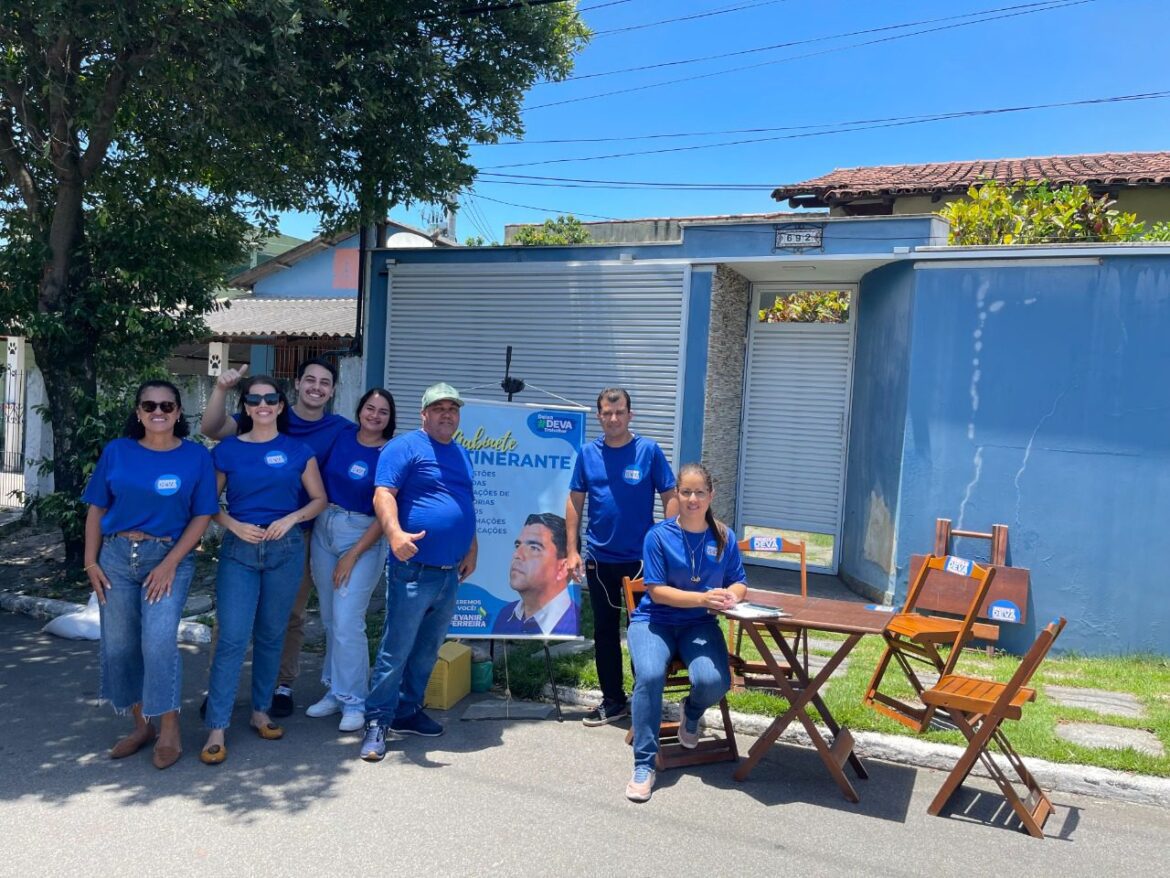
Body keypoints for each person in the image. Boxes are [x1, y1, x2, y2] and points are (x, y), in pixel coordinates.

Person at [200, 357, 351, 717]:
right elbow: (211, 428)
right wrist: (222, 387)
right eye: (310, 379)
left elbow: (368, 447)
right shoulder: (255, 415)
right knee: (232, 624)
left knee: (288, 617)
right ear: (296, 385)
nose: (317, 387)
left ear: (332, 390)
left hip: (299, 535)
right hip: (245, 536)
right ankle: (220, 690)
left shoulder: (339, 429)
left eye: (325, 382)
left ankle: (278, 687)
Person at [82, 380, 219, 770]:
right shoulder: (118, 451)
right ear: (139, 413)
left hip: (168, 555)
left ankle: (170, 729)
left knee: (158, 643)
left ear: (178, 413)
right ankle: (142, 726)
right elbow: (96, 509)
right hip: (116, 557)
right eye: (149, 405)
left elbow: (202, 515)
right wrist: (91, 562)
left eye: (167, 405)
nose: (158, 411)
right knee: (120, 645)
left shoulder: (196, 458)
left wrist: (170, 562)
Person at [359, 382, 477, 762]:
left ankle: (407, 711)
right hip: (413, 570)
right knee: (397, 649)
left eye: (452, 409)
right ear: (423, 414)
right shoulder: (404, 447)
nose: (447, 415)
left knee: (427, 650)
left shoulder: (461, 454)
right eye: (438, 408)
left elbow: (465, 503)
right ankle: (377, 719)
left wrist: (470, 547)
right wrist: (393, 533)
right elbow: (383, 494)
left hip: (448, 573)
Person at [624, 462, 747, 802]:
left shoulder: (723, 536)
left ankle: (690, 712)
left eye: (700, 492)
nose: (693, 499)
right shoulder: (659, 536)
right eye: (686, 492)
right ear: (676, 494)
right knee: (649, 675)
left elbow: (739, 580)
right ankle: (644, 764)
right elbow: (657, 590)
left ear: (711, 495)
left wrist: (730, 596)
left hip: (699, 622)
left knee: (714, 681)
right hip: (654, 621)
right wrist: (703, 596)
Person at [565, 387, 678, 726]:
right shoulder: (587, 454)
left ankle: (646, 700)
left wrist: (668, 543)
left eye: (619, 412)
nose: (613, 419)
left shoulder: (648, 451)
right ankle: (613, 700)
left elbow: (670, 493)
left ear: (630, 414)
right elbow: (574, 502)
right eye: (606, 413)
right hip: (600, 561)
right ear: (599, 415)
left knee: (643, 633)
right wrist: (571, 550)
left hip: (641, 563)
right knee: (604, 633)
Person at [306, 388, 396, 732]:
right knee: (330, 619)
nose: (374, 415)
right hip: (324, 527)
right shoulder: (341, 435)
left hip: (363, 537)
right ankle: (334, 690)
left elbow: (386, 512)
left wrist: (353, 554)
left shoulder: (390, 452)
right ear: (359, 410)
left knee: (347, 621)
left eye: (383, 411)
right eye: (370, 408)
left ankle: (356, 701)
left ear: (390, 418)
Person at [492, 512, 578, 637]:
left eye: (534, 548)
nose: (517, 554)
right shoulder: (505, 614)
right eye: (518, 545)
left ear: (562, 568)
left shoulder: (570, 620)